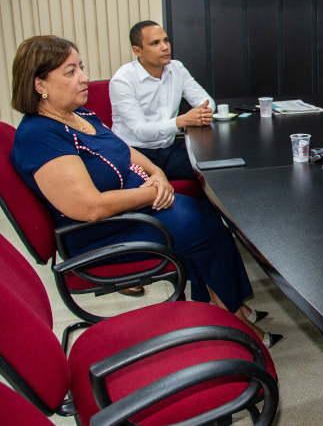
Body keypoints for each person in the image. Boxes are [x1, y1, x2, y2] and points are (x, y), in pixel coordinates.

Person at [10, 36, 280, 347]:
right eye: (70, 72)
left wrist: (158, 173)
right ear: (39, 84)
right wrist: (152, 193)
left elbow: (123, 149)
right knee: (203, 227)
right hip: (100, 232)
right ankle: (233, 317)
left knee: (206, 214)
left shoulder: (79, 115)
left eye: (80, 67)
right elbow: (89, 207)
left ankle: (224, 308)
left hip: (131, 211)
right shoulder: (40, 135)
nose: (84, 77)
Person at [109, 21, 214, 181]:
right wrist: (182, 121)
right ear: (138, 50)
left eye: (166, 40)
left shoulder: (176, 68)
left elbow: (205, 99)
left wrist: (204, 111)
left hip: (169, 150)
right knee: (146, 193)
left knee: (214, 170)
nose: (165, 47)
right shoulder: (123, 80)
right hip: (135, 153)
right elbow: (140, 130)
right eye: (155, 43)